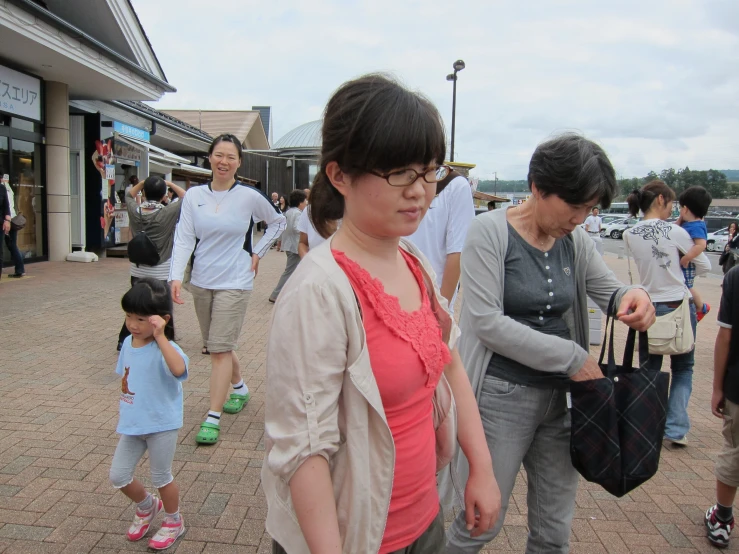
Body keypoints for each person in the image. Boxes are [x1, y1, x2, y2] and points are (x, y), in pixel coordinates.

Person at [262, 74, 500, 554]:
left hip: (423, 520)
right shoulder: (320, 289)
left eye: (429, 170)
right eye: (398, 172)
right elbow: (304, 448)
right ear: (339, 175)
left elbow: (450, 366)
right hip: (354, 536)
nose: (419, 190)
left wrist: (483, 469)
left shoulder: (413, 262)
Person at [445, 133, 655, 554]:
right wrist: (572, 356)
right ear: (538, 187)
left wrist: (634, 297)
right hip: (500, 398)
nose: (581, 218)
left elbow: (608, 290)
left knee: (553, 532)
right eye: (574, 205)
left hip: (563, 401)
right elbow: (487, 323)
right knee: (481, 522)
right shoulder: (489, 231)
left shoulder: (574, 241)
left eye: (590, 208)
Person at [169, 134, 286, 445]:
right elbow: (184, 237)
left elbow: (278, 222)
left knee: (219, 349)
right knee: (216, 344)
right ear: (210, 158)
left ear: (239, 162)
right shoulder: (194, 197)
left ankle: (212, 416)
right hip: (202, 281)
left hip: (235, 280)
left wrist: (258, 252)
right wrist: (175, 276)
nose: (224, 161)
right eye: (219, 155)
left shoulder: (248, 196)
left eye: (230, 157)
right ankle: (240, 388)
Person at [624, 180, 710, 446]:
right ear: (661, 199)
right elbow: (704, 265)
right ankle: (675, 428)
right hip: (678, 307)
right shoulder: (675, 232)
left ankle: (647, 424)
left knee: (650, 368)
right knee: (683, 368)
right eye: (671, 203)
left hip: (648, 306)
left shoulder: (629, 233)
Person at [109, 278, 189, 550]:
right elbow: (128, 379)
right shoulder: (129, 343)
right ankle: (147, 506)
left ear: (161, 319)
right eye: (129, 316)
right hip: (133, 424)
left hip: (161, 424)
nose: (133, 323)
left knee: (161, 477)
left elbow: (179, 371)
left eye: (141, 319)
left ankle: (173, 520)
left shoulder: (165, 349)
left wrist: (160, 337)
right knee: (118, 476)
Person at [116, 176, 186, 351]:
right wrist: (169, 184)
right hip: (161, 269)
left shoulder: (135, 210)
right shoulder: (166, 212)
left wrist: (142, 183)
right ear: (164, 195)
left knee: (136, 305)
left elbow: (129, 196)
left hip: (138, 268)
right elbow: (186, 196)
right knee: (163, 307)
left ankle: (123, 339)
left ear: (144, 193)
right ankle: (166, 339)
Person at [407, 167, 475, 308]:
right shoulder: (395, 180)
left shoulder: (455, 185)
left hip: (433, 296)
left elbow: (457, 252)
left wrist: (440, 308)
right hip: (395, 293)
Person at [705, 265, 739, 548]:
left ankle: (722, 520)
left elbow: (725, 336)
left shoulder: (736, 276)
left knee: (735, 450)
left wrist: (717, 387)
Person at [677, 186, 712, 321]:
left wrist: (687, 258)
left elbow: (701, 245)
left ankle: (701, 307)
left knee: (687, 286)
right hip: (686, 263)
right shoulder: (689, 223)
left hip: (688, 264)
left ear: (685, 209)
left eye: (681, 208)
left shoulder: (695, 226)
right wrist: (680, 220)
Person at [269, 189, 307, 303]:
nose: (306, 203)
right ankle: (276, 294)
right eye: (305, 201)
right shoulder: (298, 213)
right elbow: (296, 227)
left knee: (295, 270)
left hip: (290, 245)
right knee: (290, 271)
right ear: (300, 202)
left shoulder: (289, 212)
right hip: (295, 246)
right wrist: (306, 232)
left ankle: (293, 294)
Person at [2, 174, 25, 278]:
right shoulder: (9, 189)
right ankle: (20, 269)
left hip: (6, 221)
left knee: (11, 246)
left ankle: (20, 269)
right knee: (12, 245)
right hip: (11, 219)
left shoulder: (3, 189)